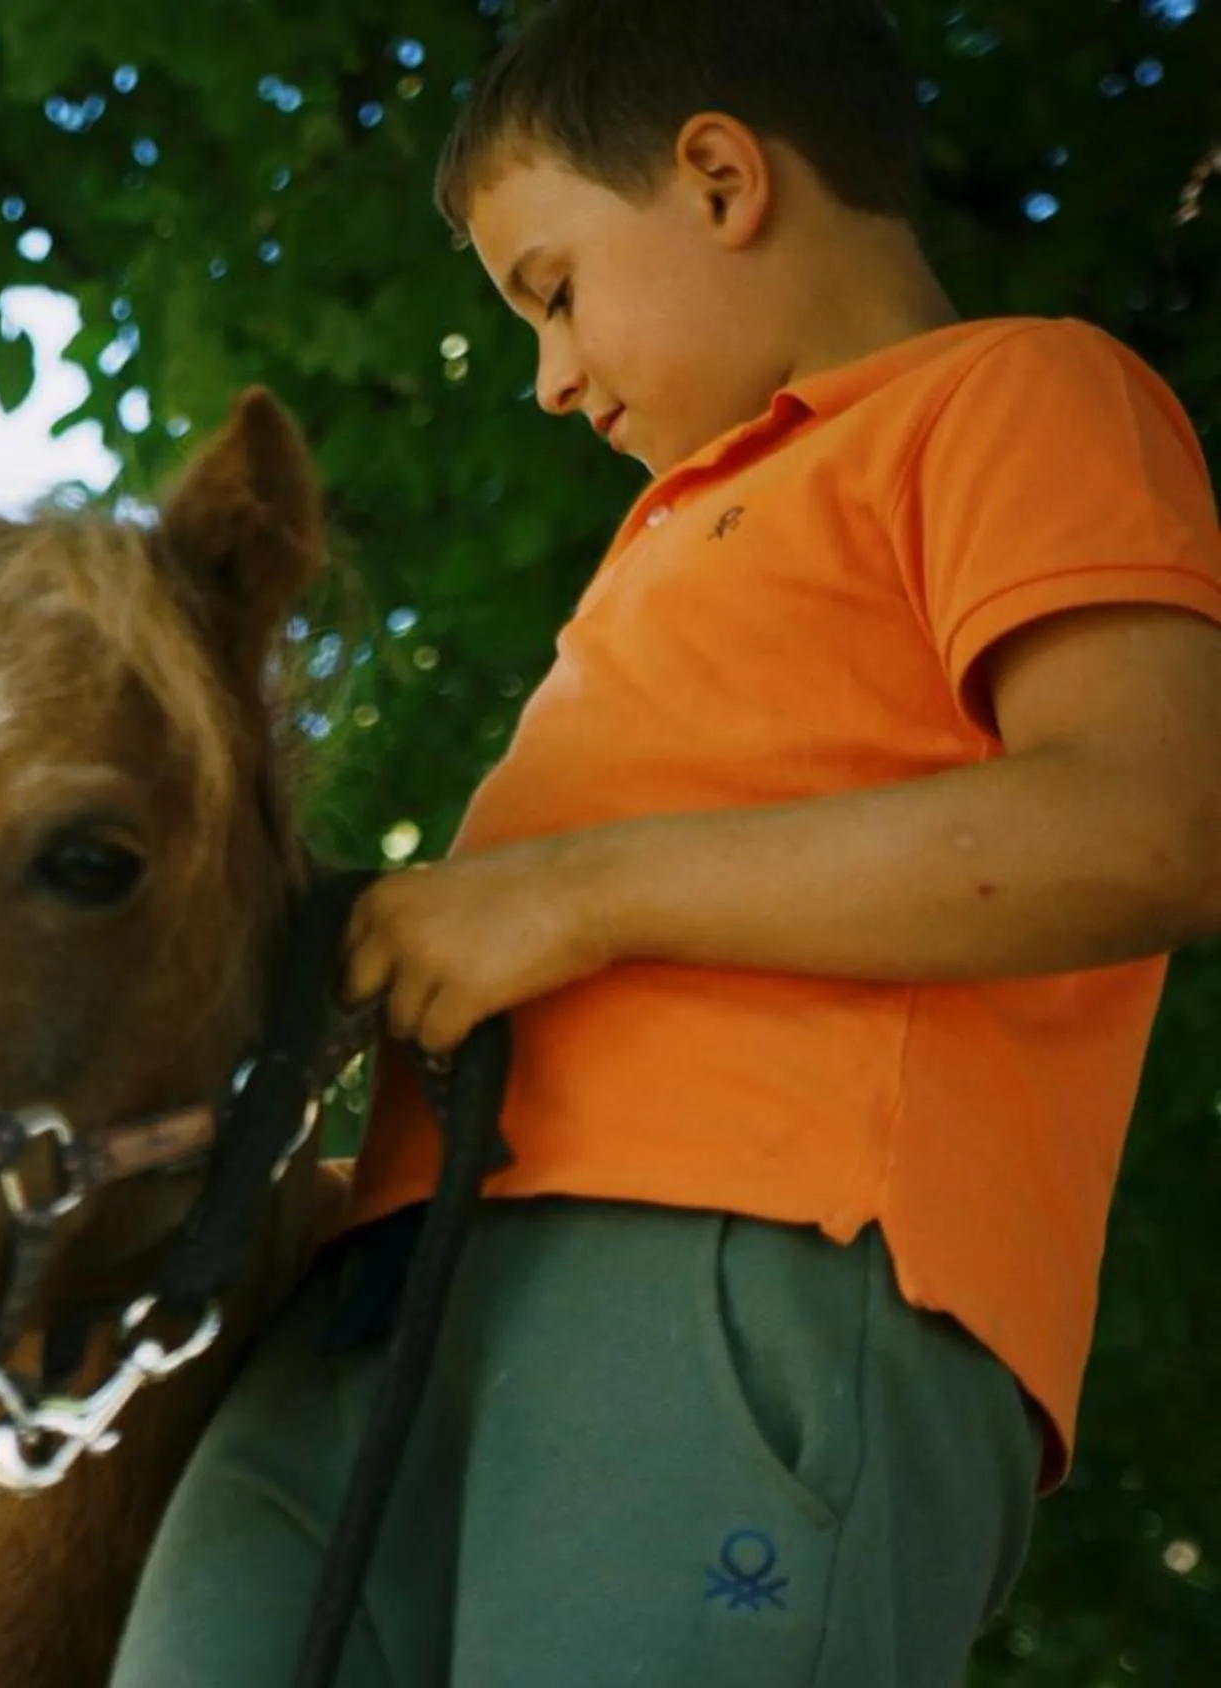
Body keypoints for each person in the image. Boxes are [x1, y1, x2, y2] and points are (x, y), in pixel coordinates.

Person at [114, 2, 1221, 1681]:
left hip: (753, 1260)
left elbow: (1161, 818)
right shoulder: (666, 539)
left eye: (551, 290)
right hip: (386, 1304)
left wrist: (576, 894)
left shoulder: (1015, 391)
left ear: (719, 177)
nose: (552, 379)